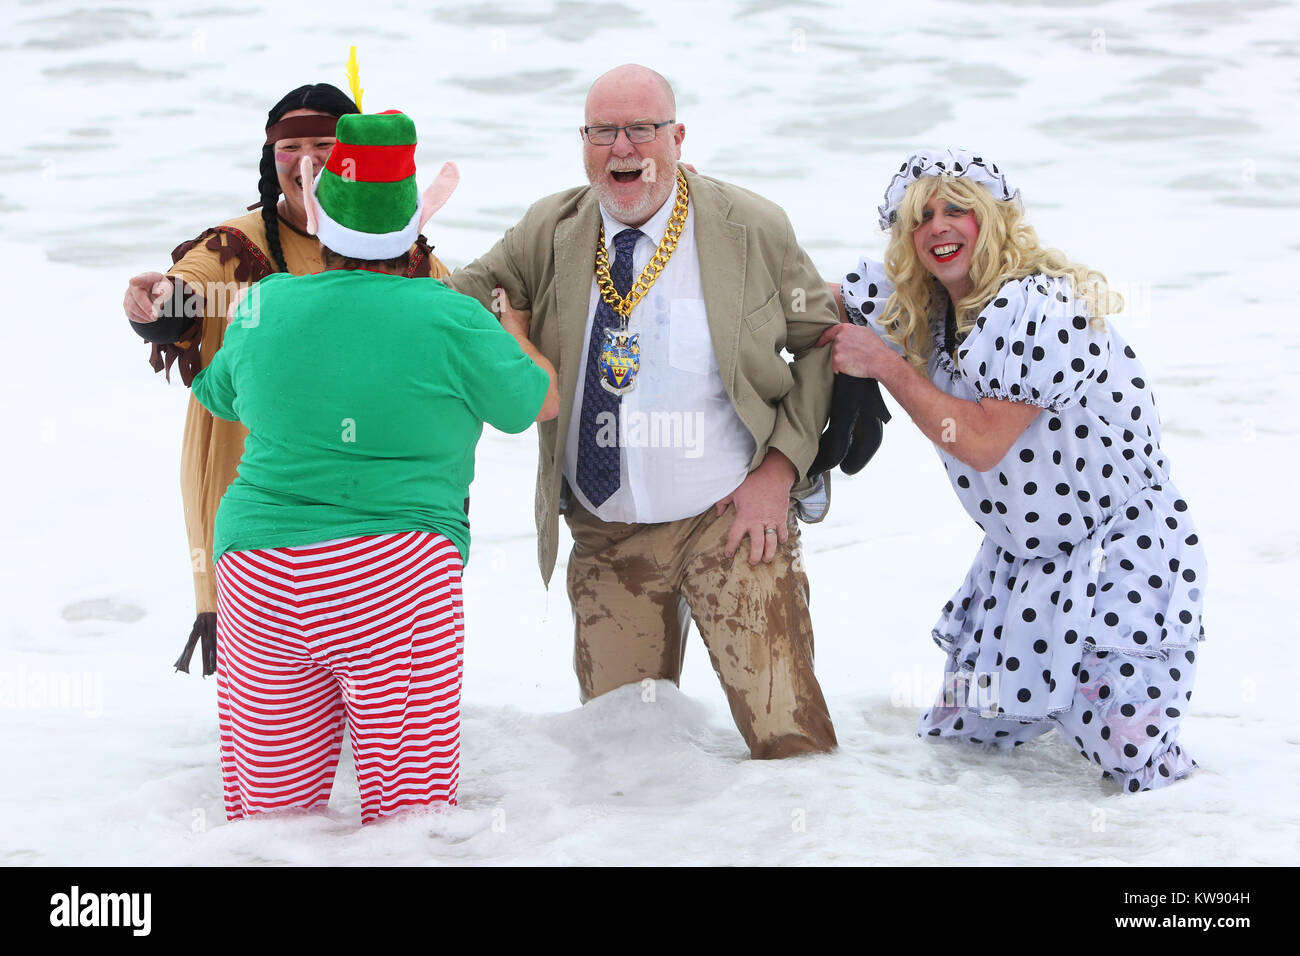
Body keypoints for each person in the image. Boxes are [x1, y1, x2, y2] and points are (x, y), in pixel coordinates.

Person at [443, 64, 838, 758]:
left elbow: (819, 344)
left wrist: (779, 472)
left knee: (792, 747)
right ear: (584, 141)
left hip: (732, 523)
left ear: (676, 137)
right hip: (607, 536)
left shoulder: (752, 226)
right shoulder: (551, 228)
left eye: (641, 130)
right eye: (602, 132)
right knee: (622, 769)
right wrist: (374, 235)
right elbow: (452, 300)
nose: (622, 148)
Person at [189, 109, 557, 823]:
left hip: (260, 570)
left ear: (321, 223)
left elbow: (219, 395)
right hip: (395, 575)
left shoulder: (266, 303)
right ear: (412, 233)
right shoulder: (451, 315)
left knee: (270, 819)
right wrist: (514, 330)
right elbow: (534, 403)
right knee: (406, 820)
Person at [819, 148, 1206, 791]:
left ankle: (1209, 846)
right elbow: (813, 296)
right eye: (922, 217)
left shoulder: (1038, 306)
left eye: (957, 210)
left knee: (1134, 760)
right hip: (1022, 559)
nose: (939, 226)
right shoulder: (929, 306)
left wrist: (885, 367)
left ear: (994, 220)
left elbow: (979, 442)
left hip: (1116, 550)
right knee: (962, 743)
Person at [122, 83, 452, 675]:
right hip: (253, 467)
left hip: (372, 479)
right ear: (269, 158)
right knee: (274, 656)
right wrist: (157, 302)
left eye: (324, 144)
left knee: (374, 636)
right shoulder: (235, 245)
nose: (306, 161)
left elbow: (451, 314)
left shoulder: (398, 248)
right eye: (289, 146)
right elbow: (185, 290)